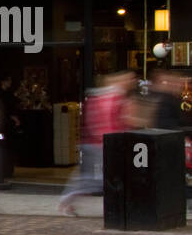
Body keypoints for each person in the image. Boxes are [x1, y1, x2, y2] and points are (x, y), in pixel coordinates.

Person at [59, 71, 137, 216]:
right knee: (96, 178)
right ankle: (67, 199)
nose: (131, 82)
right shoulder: (112, 98)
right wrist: (113, 141)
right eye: (128, 79)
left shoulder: (103, 97)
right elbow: (109, 124)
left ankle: (67, 200)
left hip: (99, 143)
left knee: (95, 177)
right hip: (101, 145)